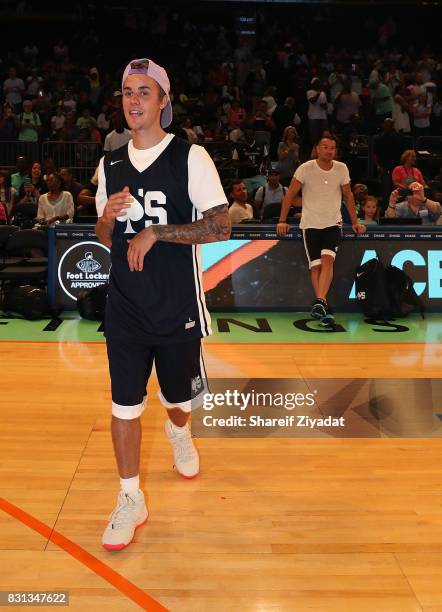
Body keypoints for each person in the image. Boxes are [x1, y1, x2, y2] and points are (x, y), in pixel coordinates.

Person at [95, 58, 230, 551]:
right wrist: (108, 218)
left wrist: (158, 231)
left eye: (144, 92)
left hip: (177, 307)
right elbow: (104, 233)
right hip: (125, 306)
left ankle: (179, 433)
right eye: (127, 92)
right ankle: (130, 498)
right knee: (123, 405)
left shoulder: (189, 158)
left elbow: (221, 226)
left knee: (177, 400)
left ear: (163, 101)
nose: (134, 101)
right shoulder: (110, 162)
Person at [277, 136, 365, 325]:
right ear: (317, 149)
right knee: (316, 266)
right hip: (310, 224)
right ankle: (322, 304)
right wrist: (282, 220)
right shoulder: (305, 168)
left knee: (328, 260)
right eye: (325, 147)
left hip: (333, 223)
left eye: (332, 147)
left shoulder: (342, 168)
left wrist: (355, 222)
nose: (329, 150)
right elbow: (290, 194)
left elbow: (348, 196)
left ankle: (319, 301)